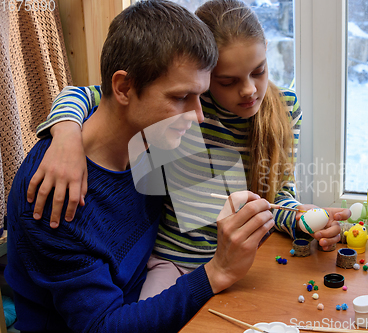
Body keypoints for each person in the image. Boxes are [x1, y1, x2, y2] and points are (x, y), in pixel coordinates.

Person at [28, 0, 350, 298]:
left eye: (259, 71)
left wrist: (301, 218)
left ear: (266, 51)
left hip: (246, 256)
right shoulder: (187, 103)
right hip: (173, 260)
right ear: (205, 73)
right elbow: (86, 95)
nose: (249, 90)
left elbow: (277, 194)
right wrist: (66, 135)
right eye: (227, 81)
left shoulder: (285, 110)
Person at [5, 1, 274, 331]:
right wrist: (216, 272)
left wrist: (65, 127)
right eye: (180, 97)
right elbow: (106, 326)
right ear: (123, 88)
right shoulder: (53, 195)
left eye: (200, 96)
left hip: (152, 298)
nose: (198, 116)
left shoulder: (154, 139)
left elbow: (88, 95)